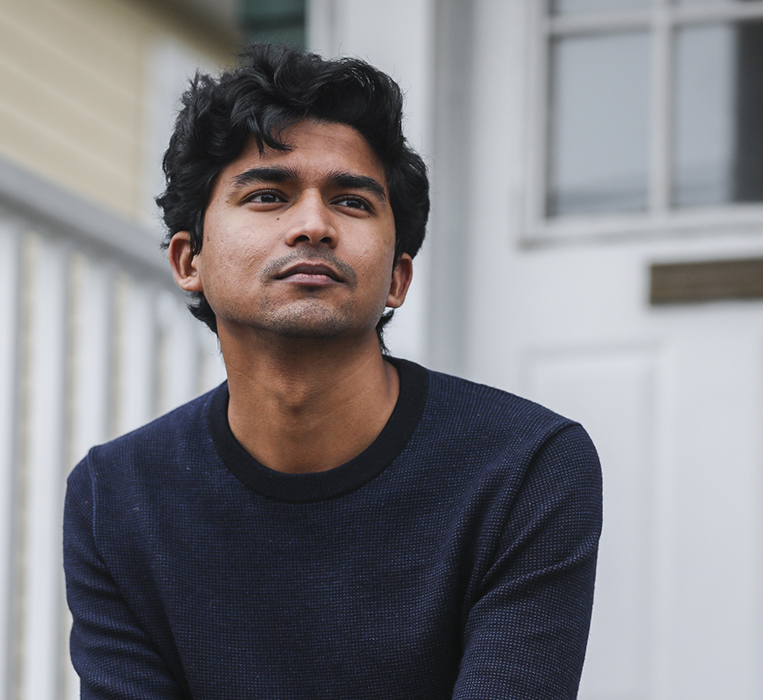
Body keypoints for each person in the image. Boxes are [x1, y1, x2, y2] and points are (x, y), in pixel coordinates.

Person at [63, 43, 603, 699]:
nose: (313, 225)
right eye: (268, 195)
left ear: (398, 276)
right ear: (188, 260)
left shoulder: (524, 467)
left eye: (351, 202)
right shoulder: (117, 497)